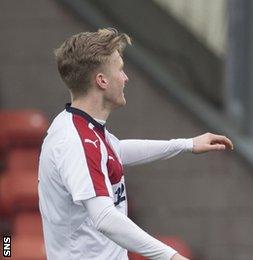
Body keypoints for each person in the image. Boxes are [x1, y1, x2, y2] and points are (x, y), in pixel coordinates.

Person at [38, 28, 233, 260]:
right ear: (101, 81)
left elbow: (117, 151)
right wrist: (170, 256)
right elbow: (104, 218)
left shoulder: (82, 127)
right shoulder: (76, 141)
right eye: (120, 69)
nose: (126, 77)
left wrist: (188, 144)